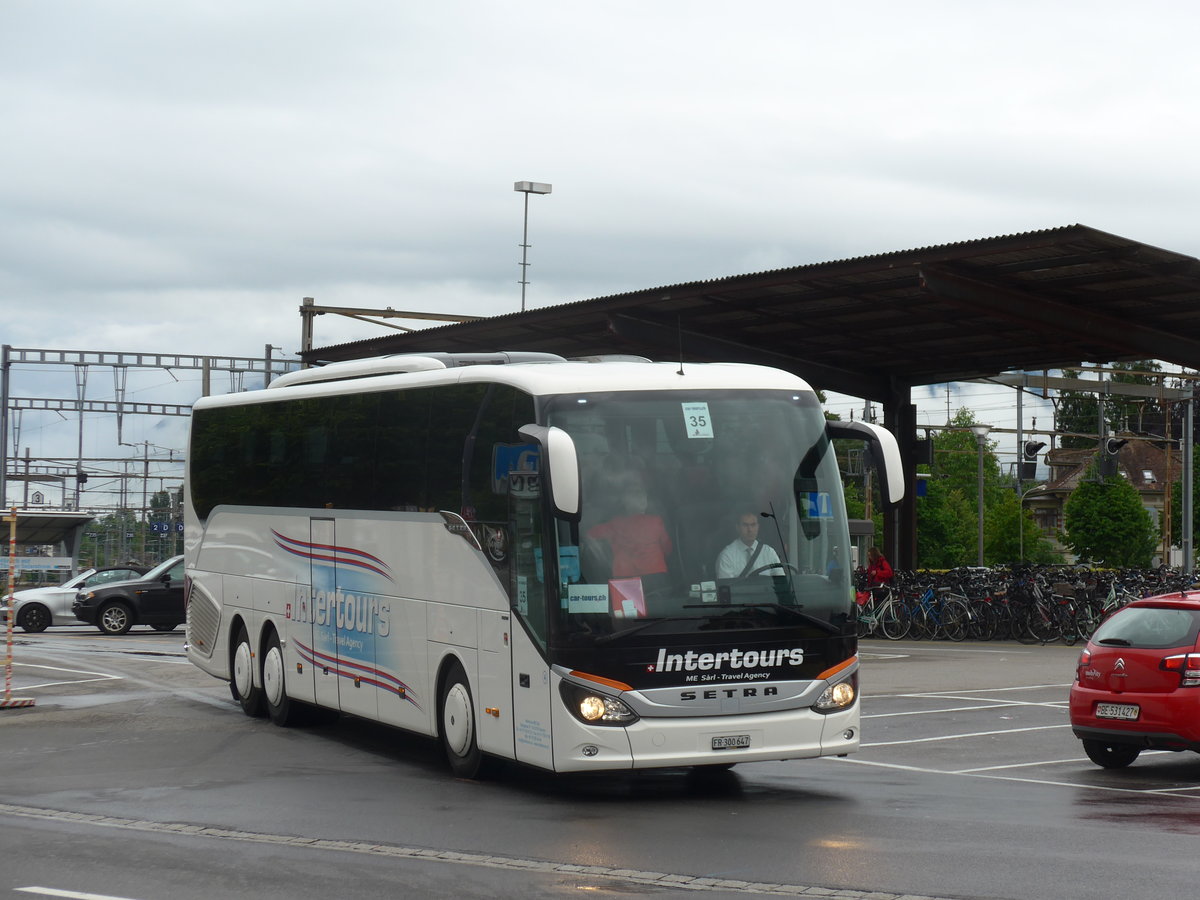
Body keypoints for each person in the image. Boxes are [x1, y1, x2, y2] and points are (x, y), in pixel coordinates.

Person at [585, 484, 673, 578]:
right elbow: (667, 548)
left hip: (626, 577)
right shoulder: (656, 521)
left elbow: (588, 535)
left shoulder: (616, 524)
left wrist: (599, 551)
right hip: (656, 575)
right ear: (645, 503)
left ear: (626, 504)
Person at [716, 511, 783, 578]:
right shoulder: (727, 556)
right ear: (738, 527)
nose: (750, 529)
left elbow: (781, 582)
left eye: (753, 525)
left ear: (758, 527)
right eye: (745, 525)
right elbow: (727, 586)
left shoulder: (769, 552)